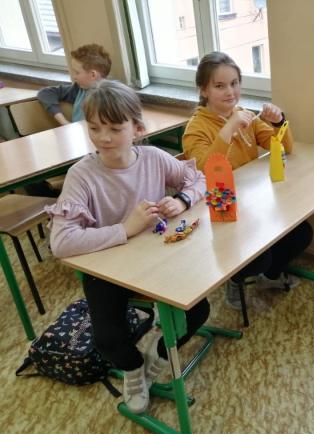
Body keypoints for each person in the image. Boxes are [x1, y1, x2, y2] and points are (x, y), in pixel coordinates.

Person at [46, 80, 209, 414]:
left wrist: (181, 199)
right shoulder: (81, 175)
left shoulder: (153, 158)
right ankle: (133, 369)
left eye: (114, 129)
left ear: (137, 129)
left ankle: (158, 356)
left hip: (156, 258)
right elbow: (60, 242)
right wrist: (125, 228)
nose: (103, 138)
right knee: (107, 338)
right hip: (107, 267)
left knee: (199, 310)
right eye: (94, 128)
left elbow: (198, 180)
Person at [182, 51, 312, 311]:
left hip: (251, 202)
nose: (230, 92)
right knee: (259, 257)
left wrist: (279, 122)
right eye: (220, 86)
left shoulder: (244, 115)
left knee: (301, 233)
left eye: (234, 83)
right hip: (220, 210)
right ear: (204, 90)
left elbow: (284, 147)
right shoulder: (196, 129)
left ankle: (268, 277)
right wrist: (229, 128)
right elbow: (207, 171)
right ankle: (235, 279)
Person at [32, 44, 112, 197]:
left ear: (93, 74)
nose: (73, 76)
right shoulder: (79, 89)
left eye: (77, 72)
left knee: (38, 177)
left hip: (93, 153)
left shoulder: (111, 95)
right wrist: (64, 122)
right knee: (34, 173)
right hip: (74, 148)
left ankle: (68, 199)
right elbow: (45, 93)